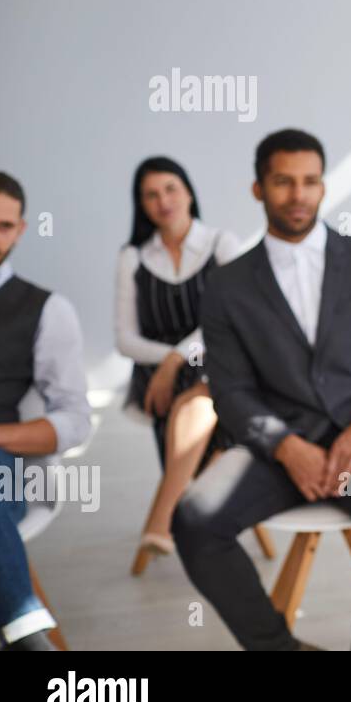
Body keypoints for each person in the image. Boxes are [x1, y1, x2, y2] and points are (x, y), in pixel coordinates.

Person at [172, 130, 351, 651]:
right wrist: (285, 446)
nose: (298, 195)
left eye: (310, 181)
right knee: (194, 522)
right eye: (284, 182)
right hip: (276, 448)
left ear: (323, 186)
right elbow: (231, 389)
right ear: (258, 188)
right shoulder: (228, 285)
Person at [114, 156, 240, 566]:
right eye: (150, 194)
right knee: (195, 407)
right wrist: (169, 360)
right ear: (141, 204)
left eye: (170, 188)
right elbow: (125, 339)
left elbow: (235, 316)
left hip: (219, 364)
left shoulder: (221, 244)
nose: (162, 201)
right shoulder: (133, 257)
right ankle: (188, 522)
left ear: (188, 191)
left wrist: (178, 358)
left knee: (204, 402)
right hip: (158, 381)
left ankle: (162, 518)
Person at [0, 172, 92, 651]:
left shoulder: (47, 309)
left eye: (3, 226)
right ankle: (29, 634)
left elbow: (75, 418)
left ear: (20, 230)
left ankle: (25, 635)